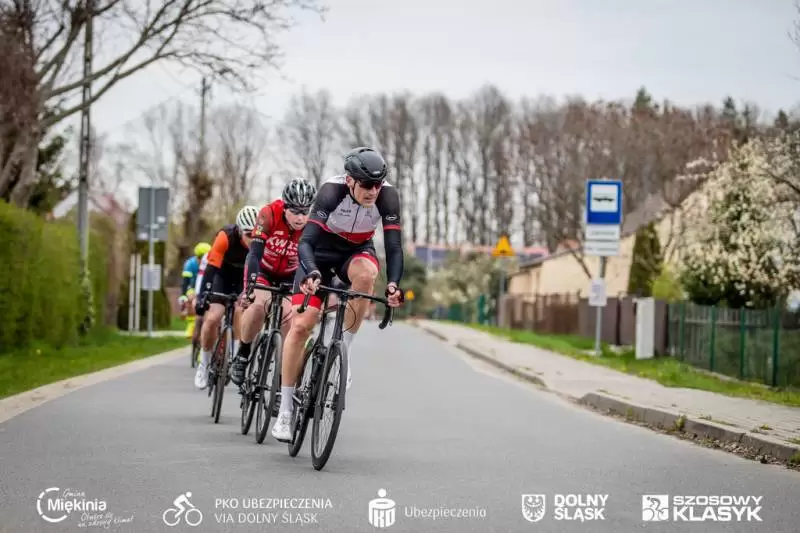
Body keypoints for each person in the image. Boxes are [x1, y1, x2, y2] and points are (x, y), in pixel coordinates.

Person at [270, 147, 405, 442]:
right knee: (301, 325)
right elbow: (306, 241)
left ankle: (345, 351)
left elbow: (394, 247)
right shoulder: (331, 191)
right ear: (350, 180)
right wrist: (311, 272)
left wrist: (394, 284)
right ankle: (285, 411)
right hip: (318, 252)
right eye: (366, 184)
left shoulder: (387, 196)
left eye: (377, 184)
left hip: (356, 251)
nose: (373, 191)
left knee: (367, 275)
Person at [229, 178, 317, 386]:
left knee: (290, 320)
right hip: (264, 271)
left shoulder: (313, 224)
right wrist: (250, 286)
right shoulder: (269, 214)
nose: (300, 217)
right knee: (258, 307)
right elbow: (254, 253)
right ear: (285, 206)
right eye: (295, 211)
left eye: (305, 212)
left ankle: (282, 377)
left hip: (290, 275)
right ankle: (243, 353)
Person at [193, 206, 259, 390]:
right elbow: (210, 269)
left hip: (243, 279)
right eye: (248, 234)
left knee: (239, 311)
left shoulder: (261, 241)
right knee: (213, 318)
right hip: (222, 276)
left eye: (256, 235)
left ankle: (236, 355)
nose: (253, 239)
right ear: (239, 231)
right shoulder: (225, 236)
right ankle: (204, 364)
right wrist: (204, 296)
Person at [179, 242, 211, 338]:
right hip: (193, 287)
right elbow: (185, 282)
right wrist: (183, 295)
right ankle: (191, 323)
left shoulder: (211, 263)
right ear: (197, 257)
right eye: (200, 258)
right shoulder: (190, 264)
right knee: (190, 298)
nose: (203, 261)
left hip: (208, 287)